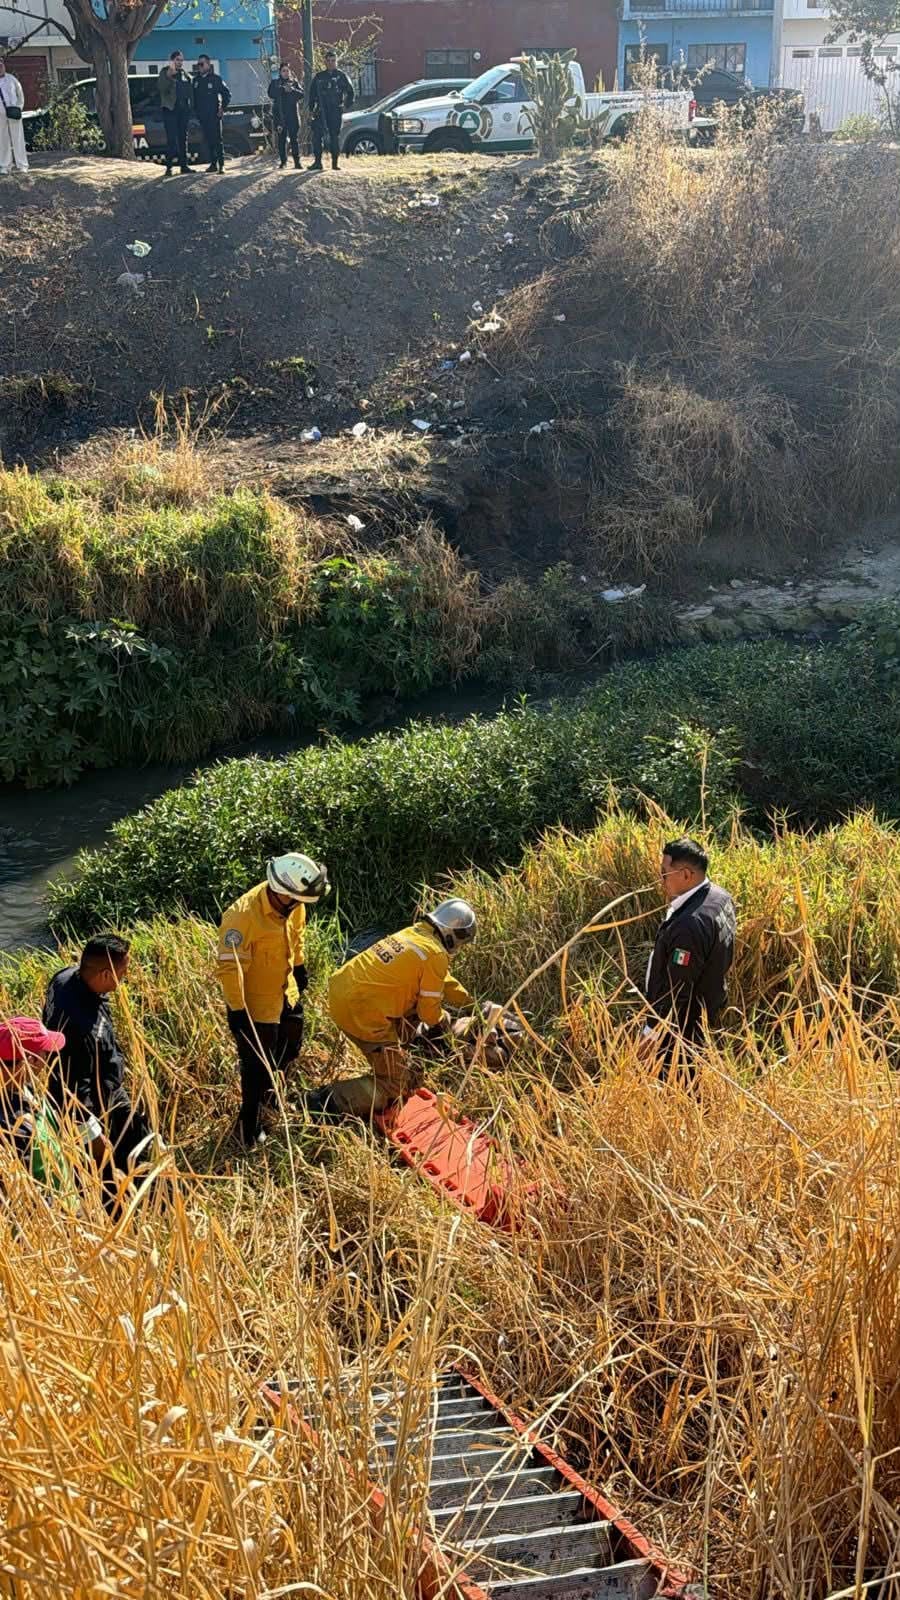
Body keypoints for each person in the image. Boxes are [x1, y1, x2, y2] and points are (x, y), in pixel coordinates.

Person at [308, 898, 477, 1119]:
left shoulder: (416, 934)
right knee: (398, 1083)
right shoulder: (435, 953)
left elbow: (443, 980)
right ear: (455, 935)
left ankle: (395, 1057)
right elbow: (429, 1013)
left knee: (416, 1015)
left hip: (344, 993)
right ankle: (323, 1103)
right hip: (363, 1012)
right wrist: (443, 1026)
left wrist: (471, 1004)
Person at [217, 854, 330, 1148]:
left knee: (290, 1048)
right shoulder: (241, 916)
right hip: (256, 1008)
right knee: (255, 1068)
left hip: (286, 993)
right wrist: (237, 1011)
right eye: (298, 899)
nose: (301, 904)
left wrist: (300, 966)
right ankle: (247, 1127)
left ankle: (271, 1100)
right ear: (283, 892)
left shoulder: (294, 904)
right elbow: (230, 968)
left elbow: (297, 937)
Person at [43, 934, 156, 1211]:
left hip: (101, 1088)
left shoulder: (63, 978)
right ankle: (126, 1211)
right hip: (97, 1103)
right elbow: (73, 1087)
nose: (125, 977)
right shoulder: (81, 1026)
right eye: (123, 972)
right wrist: (92, 1134)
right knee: (117, 1158)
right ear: (106, 974)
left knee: (135, 1137)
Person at [642, 838, 736, 1071]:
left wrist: (651, 1034)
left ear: (686, 875)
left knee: (678, 1085)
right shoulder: (720, 897)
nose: (660, 880)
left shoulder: (689, 925)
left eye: (664, 873)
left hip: (681, 1030)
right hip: (708, 1006)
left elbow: (676, 993)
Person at [0, 1018, 66, 1187]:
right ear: (30, 1061)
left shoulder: (27, 1088)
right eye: (44, 1051)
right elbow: (25, 1189)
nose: (48, 1056)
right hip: (52, 1209)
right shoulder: (12, 1124)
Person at [308, 49, 354, 171]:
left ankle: (335, 164)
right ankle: (318, 162)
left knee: (334, 136)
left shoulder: (341, 76)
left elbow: (351, 92)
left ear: (336, 61)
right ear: (325, 62)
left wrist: (346, 105)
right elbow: (311, 95)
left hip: (335, 110)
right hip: (321, 110)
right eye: (328, 60)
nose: (330, 63)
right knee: (317, 136)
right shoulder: (319, 77)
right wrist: (311, 109)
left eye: (333, 60)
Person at [193, 54, 231, 174]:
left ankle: (221, 164)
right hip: (202, 116)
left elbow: (227, 94)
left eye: (202, 64)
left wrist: (222, 108)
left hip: (214, 114)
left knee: (217, 140)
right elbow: (193, 98)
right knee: (208, 140)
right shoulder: (195, 81)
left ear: (208, 65)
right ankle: (213, 164)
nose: (199, 66)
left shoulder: (216, 79)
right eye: (198, 64)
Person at [159, 49, 193, 177]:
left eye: (181, 60)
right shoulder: (164, 72)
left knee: (183, 139)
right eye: (177, 60)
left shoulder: (184, 74)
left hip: (183, 111)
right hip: (170, 110)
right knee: (171, 139)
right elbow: (162, 87)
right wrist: (169, 74)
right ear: (172, 60)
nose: (180, 62)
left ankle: (184, 166)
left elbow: (190, 88)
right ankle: (169, 167)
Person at [268, 61, 304, 169]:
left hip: (292, 115)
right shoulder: (275, 83)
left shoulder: (294, 83)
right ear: (280, 72)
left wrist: (292, 90)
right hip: (280, 116)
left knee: (294, 139)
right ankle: (283, 162)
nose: (286, 73)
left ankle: (297, 162)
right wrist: (282, 89)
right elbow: (271, 94)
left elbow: (301, 94)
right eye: (283, 71)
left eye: (287, 71)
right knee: (281, 140)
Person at [0, 58, 28, 176]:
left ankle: (22, 165)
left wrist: (18, 108)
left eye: (1, 65)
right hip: (0, 116)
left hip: (13, 114)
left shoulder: (12, 79)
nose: (1, 67)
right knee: (2, 140)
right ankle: (5, 166)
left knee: (18, 138)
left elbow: (20, 94)